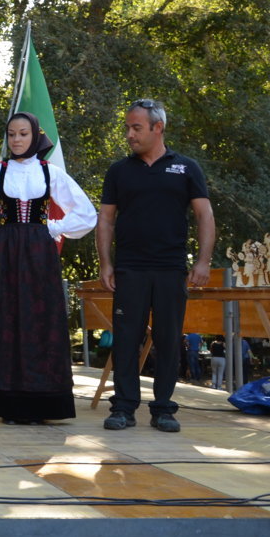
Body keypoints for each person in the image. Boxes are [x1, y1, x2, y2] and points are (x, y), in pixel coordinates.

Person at [0, 112, 97, 424]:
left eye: (23, 134)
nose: (17, 140)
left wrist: (53, 228)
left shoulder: (50, 172)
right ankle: (8, 402)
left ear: (35, 136)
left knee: (41, 319)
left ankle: (42, 402)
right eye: (11, 134)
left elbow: (87, 214)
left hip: (40, 252)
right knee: (6, 317)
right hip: (6, 251)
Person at [97, 98, 215, 433]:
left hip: (170, 268)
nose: (129, 135)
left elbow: (205, 215)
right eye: (127, 128)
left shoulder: (186, 168)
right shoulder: (119, 171)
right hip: (129, 269)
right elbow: (105, 220)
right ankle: (123, 408)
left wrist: (203, 261)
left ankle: (163, 409)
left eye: (136, 128)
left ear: (157, 127)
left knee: (168, 340)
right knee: (125, 340)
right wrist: (106, 263)